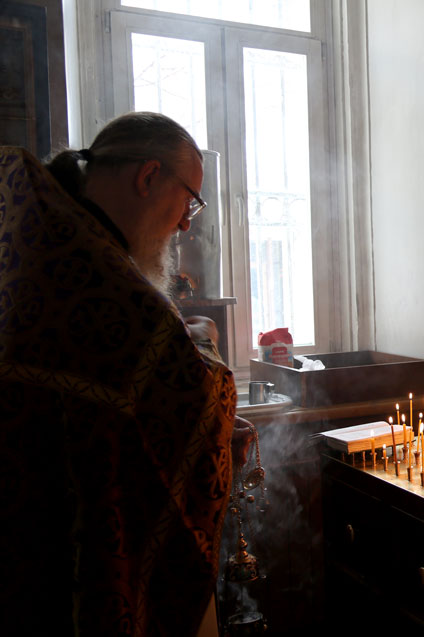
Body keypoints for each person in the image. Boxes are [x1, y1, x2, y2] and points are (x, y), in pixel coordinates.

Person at [0, 112, 251, 635]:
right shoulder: (104, 280)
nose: (186, 224)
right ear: (148, 176)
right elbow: (193, 397)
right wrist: (204, 343)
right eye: (190, 201)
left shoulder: (43, 238)